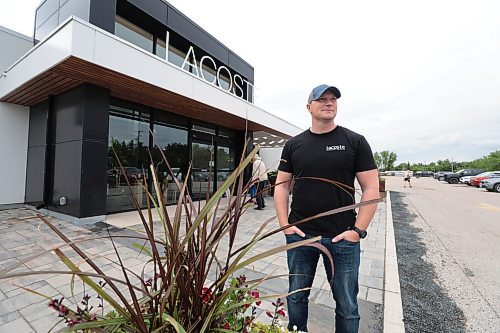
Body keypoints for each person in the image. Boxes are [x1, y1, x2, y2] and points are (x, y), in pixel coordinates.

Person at [274, 84, 379, 332]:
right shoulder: (294, 144)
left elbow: (371, 188)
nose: (329, 103)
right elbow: (281, 186)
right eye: (322, 99)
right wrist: (284, 224)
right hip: (301, 236)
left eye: (333, 99)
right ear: (309, 107)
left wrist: (358, 231)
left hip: (342, 237)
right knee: (297, 296)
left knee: (346, 305)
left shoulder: (355, 141)